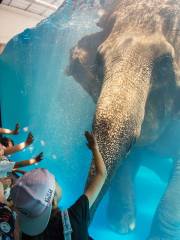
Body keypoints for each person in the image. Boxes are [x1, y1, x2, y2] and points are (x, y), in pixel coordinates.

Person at [10, 131, 107, 240]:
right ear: (53, 202)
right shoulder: (75, 217)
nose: (57, 181)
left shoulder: (26, 234)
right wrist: (95, 148)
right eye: (55, 181)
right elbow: (101, 174)